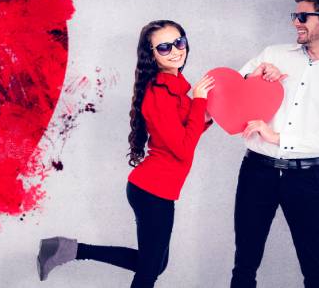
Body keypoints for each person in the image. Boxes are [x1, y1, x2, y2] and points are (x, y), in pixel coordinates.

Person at [37, 20, 215, 288]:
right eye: (164, 47)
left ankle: (66, 249)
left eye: (179, 42)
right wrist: (200, 101)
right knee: (148, 272)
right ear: (152, 55)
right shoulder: (159, 93)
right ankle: (67, 250)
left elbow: (184, 134)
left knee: (155, 264)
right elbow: (182, 149)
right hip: (153, 192)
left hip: (158, 189)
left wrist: (206, 115)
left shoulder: (176, 87)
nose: (176, 51)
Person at [230, 0, 319, 288]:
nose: (295, 22)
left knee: (315, 271)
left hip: (306, 179)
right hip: (256, 173)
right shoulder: (273, 54)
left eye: (303, 16)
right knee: (243, 267)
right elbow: (230, 92)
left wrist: (277, 136)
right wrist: (254, 77)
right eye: (295, 15)